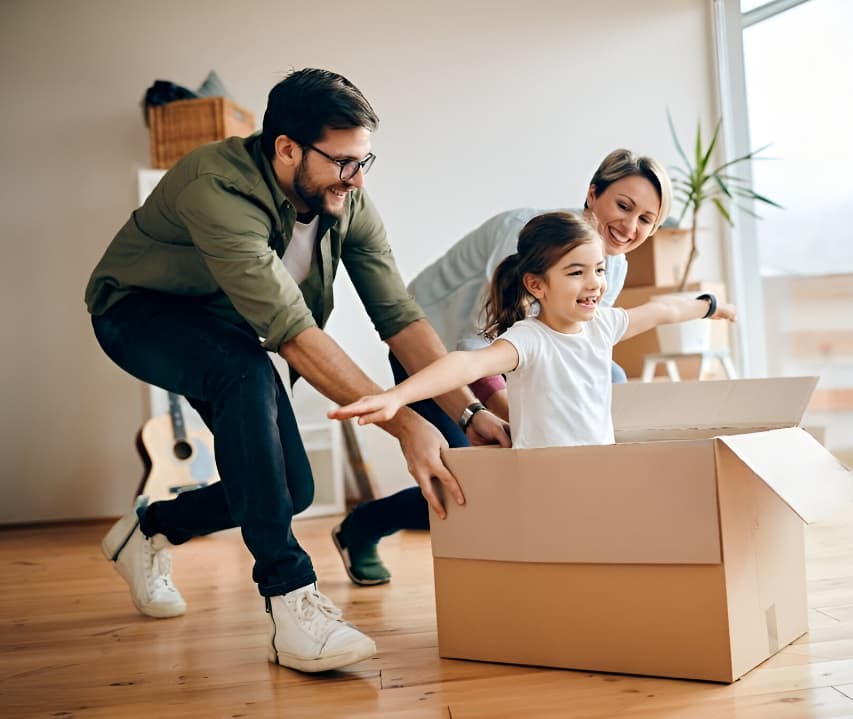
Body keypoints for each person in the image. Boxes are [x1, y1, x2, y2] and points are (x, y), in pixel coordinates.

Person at [85, 68, 509, 673]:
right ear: (287, 148)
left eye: (365, 162)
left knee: (291, 490)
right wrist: (405, 425)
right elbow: (291, 334)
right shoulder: (216, 187)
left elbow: (400, 317)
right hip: (137, 312)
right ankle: (291, 605)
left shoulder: (345, 199)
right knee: (243, 370)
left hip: (228, 327)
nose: (357, 179)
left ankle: (150, 528)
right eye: (343, 162)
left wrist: (469, 409)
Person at [331, 150, 673, 583]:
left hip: (502, 356)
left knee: (614, 380)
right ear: (593, 194)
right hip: (434, 349)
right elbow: (483, 338)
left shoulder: (613, 264)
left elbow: (579, 345)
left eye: (647, 219)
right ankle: (362, 527)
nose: (630, 228)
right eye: (623, 206)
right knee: (468, 481)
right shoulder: (523, 236)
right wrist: (510, 411)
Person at [329, 212, 736, 449]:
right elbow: (462, 365)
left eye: (598, 270)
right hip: (545, 480)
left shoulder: (603, 325)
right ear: (537, 285)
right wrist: (397, 396)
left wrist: (709, 307)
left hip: (598, 473)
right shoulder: (528, 340)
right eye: (576, 273)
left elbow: (661, 310)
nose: (594, 282)